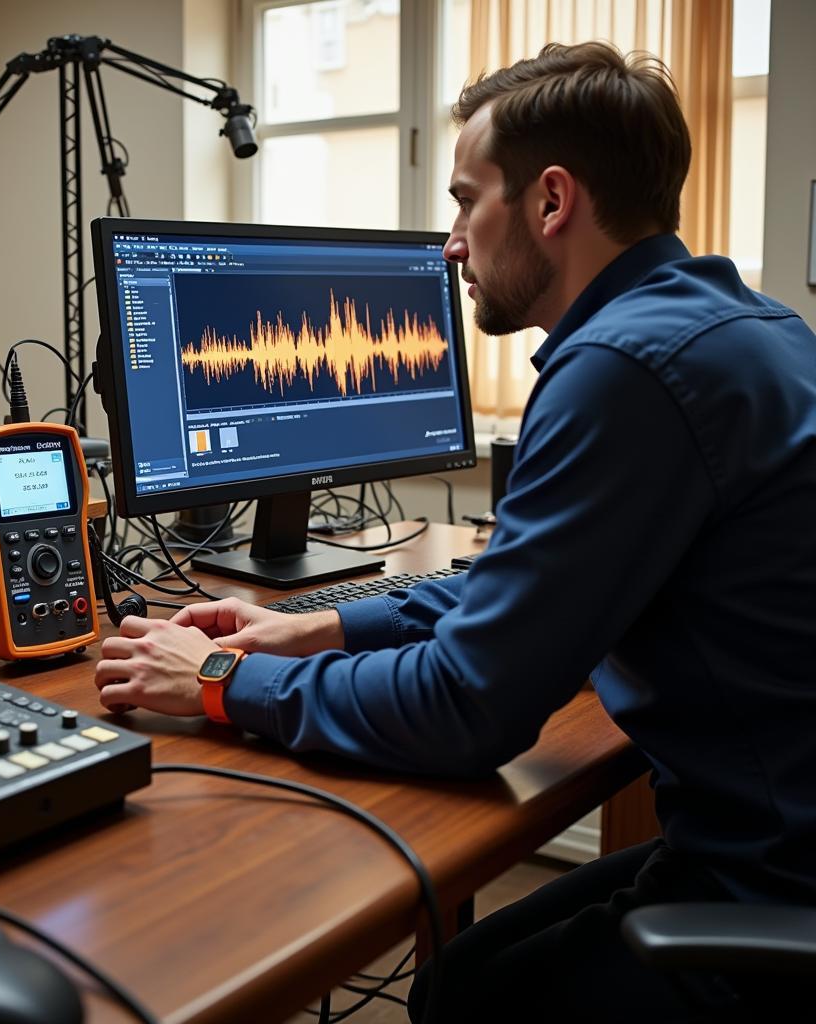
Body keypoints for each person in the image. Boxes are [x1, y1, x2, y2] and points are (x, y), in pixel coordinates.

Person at [94, 41, 816, 1022]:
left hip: (772, 884)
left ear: (551, 201)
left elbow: (467, 709)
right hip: (766, 835)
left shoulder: (622, 369)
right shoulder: (741, 326)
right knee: (462, 964)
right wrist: (327, 628)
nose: (450, 242)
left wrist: (218, 681)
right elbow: (531, 582)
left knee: (461, 995)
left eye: (466, 198)